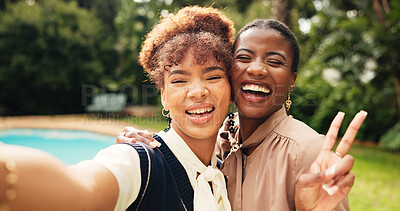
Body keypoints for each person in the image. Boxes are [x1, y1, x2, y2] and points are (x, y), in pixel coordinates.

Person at [0, 6, 235, 211]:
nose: (197, 91)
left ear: (230, 86)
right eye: (179, 80)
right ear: (163, 96)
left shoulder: (229, 164)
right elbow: (84, 189)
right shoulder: (138, 160)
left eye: (213, 77)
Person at [118, 19, 367, 211]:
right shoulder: (220, 139)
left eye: (275, 61)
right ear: (229, 72)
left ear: (292, 81)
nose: (257, 69)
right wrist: (146, 145)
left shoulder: (307, 150)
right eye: (244, 58)